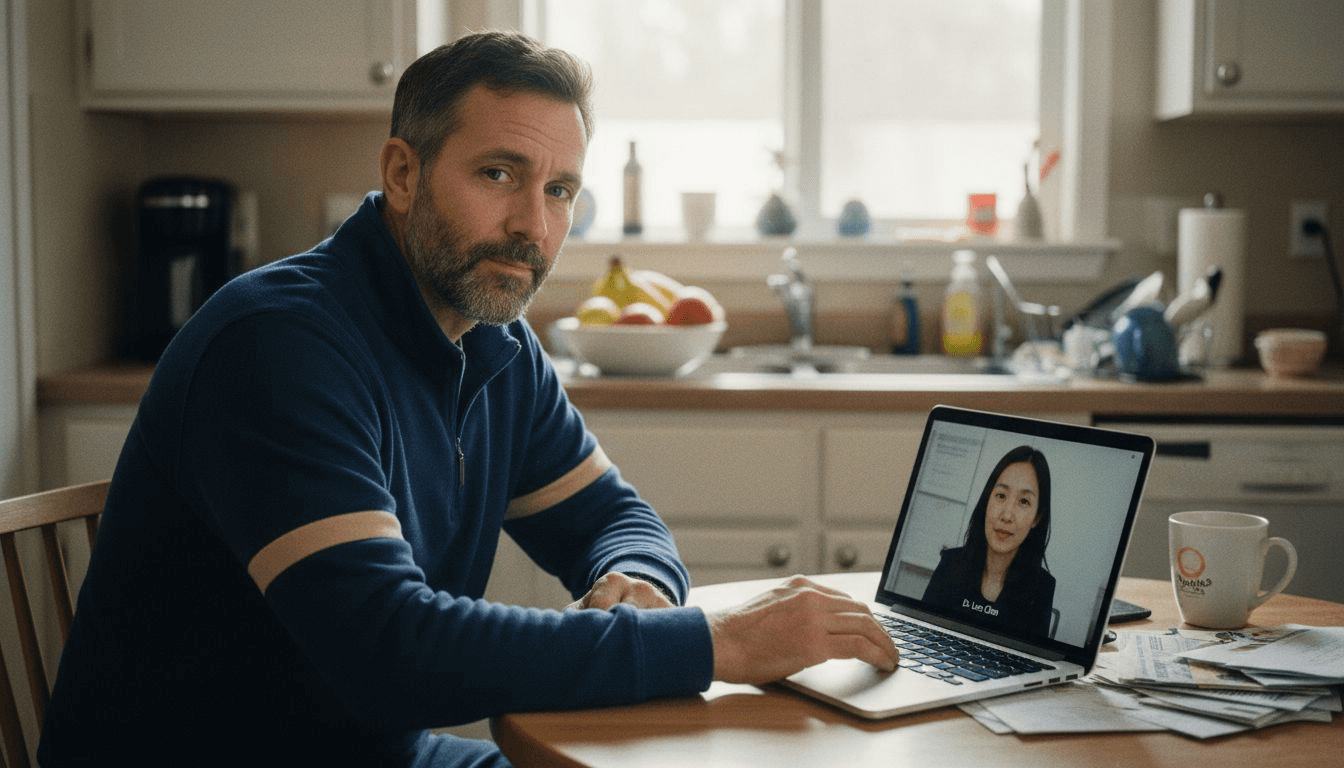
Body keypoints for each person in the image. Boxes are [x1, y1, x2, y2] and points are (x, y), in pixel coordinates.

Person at [38, 31, 898, 768]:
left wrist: (634, 581)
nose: (535, 224)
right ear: (402, 172)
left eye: (560, 190)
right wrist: (717, 642)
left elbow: (615, 518)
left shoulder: (495, 345)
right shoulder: (278, 345)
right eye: (499, 173)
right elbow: (389, 649)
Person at [921, 445, 1056, 637]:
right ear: (987, 501)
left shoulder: (1042, 587)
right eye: (1001, 496)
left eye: (1024, 501)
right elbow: (924, 630)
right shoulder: (950, 562)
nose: (1007, 515)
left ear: (1037, 518)